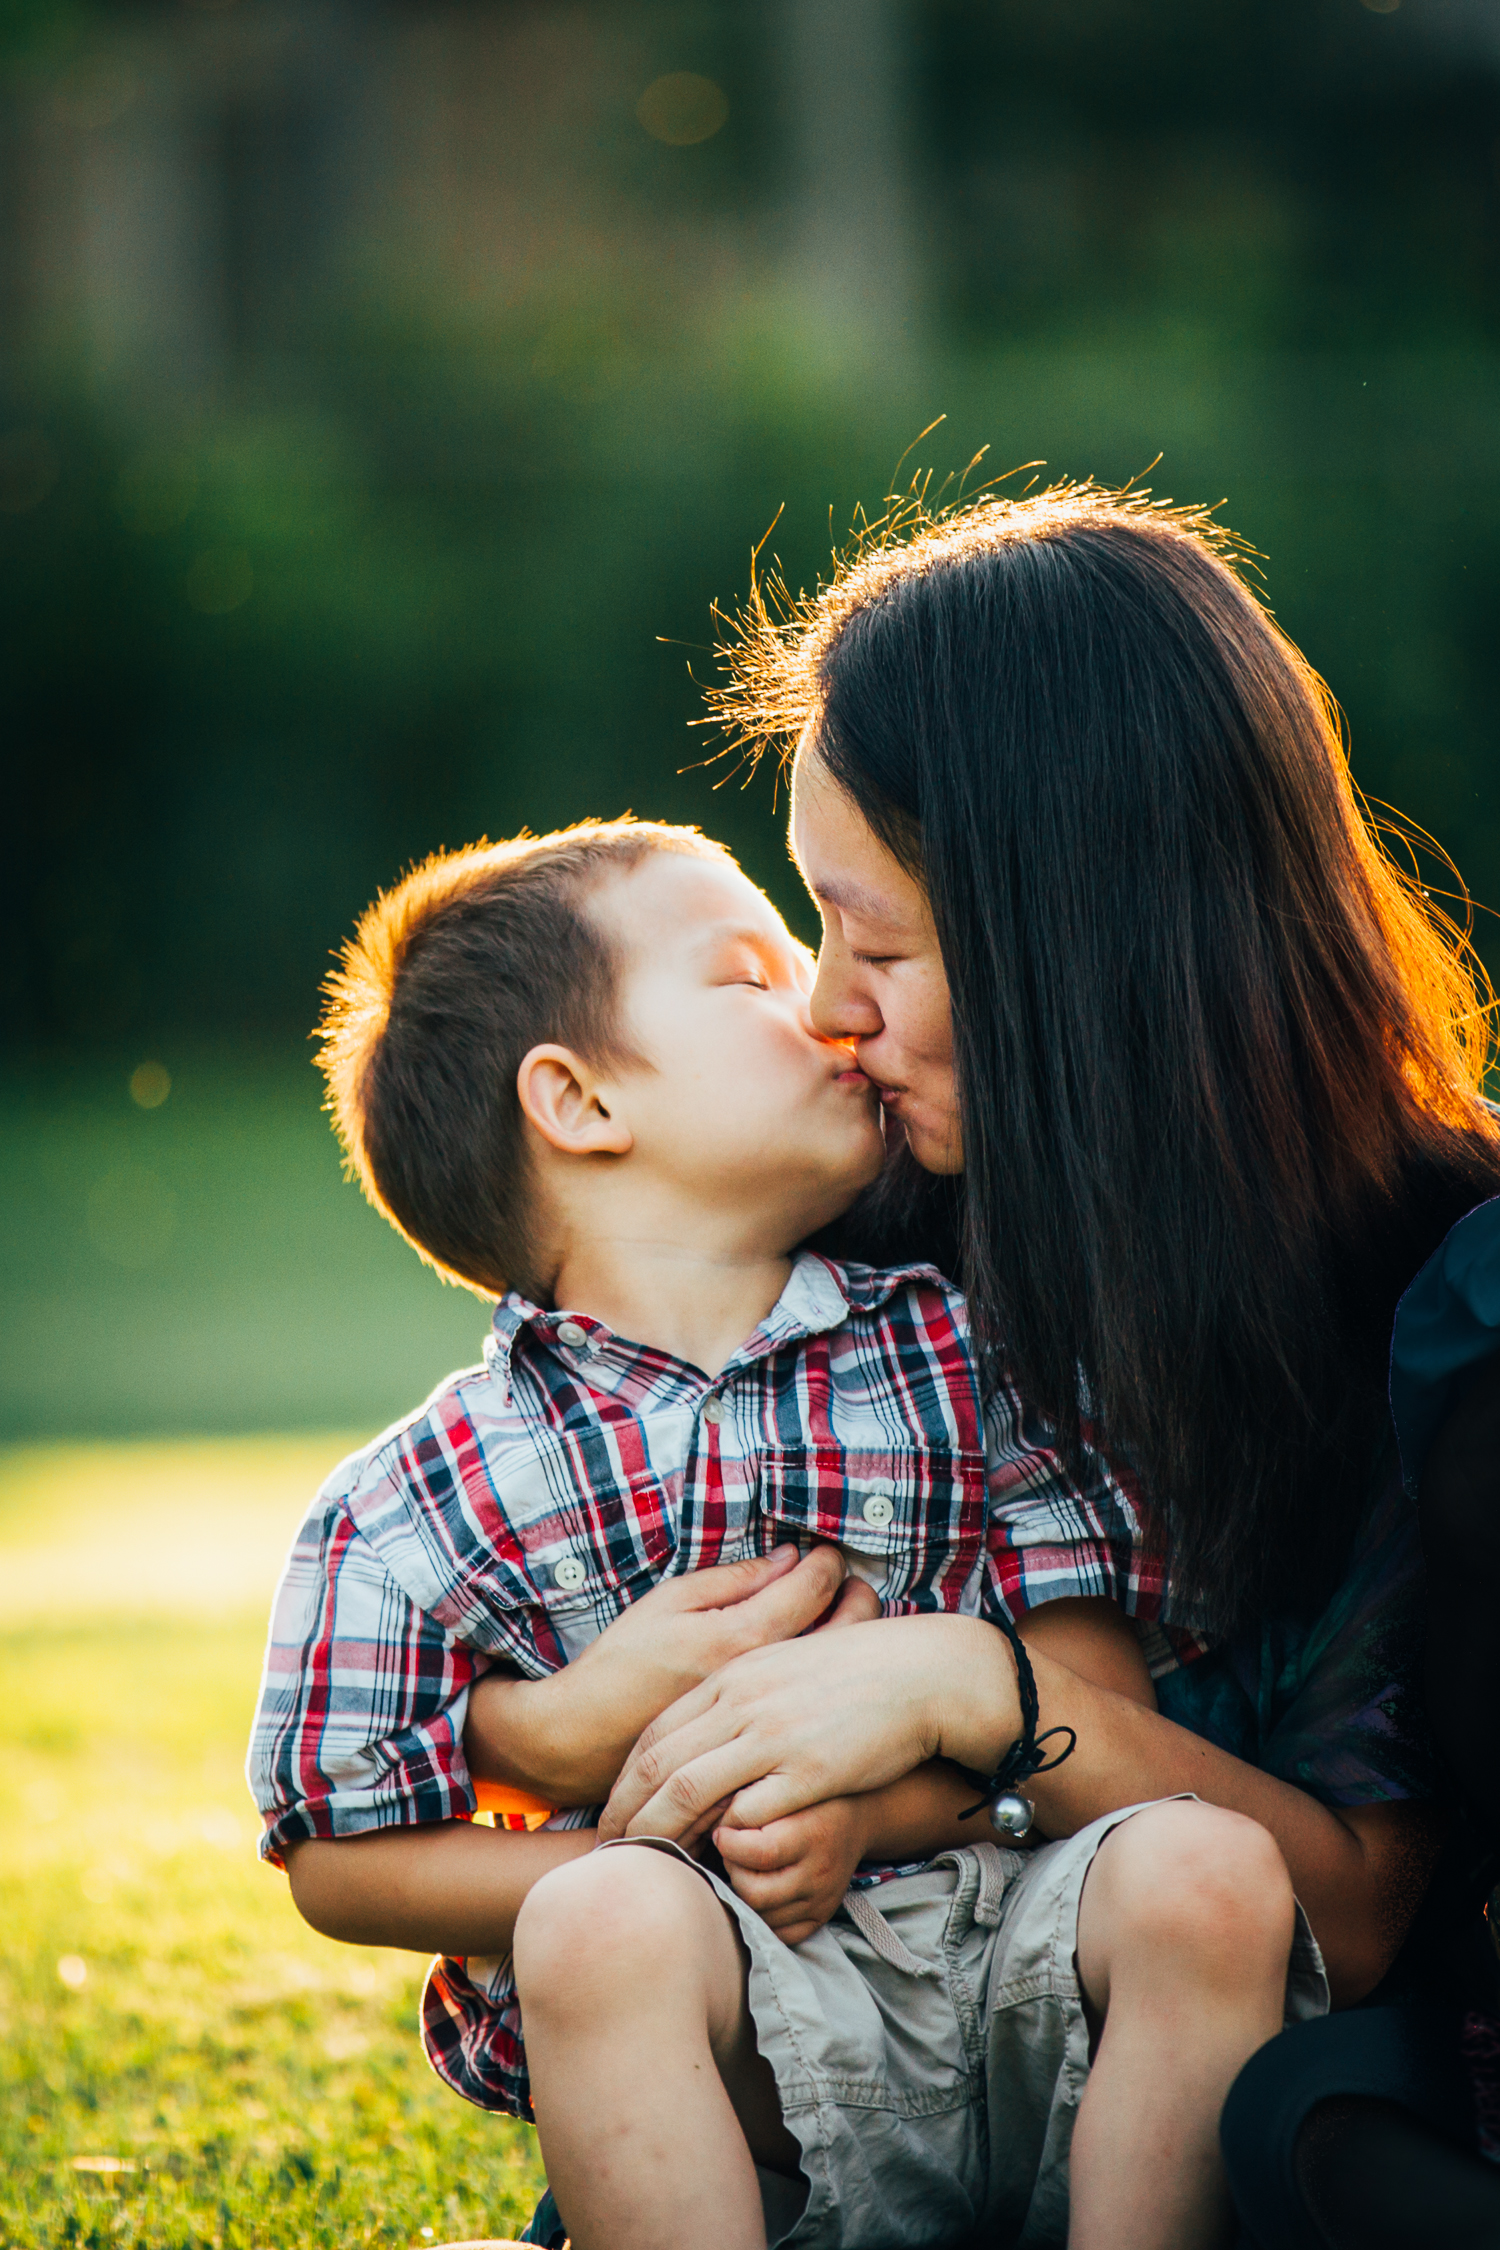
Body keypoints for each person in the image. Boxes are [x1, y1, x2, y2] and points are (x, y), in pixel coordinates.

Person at [598, 482, 1500, 2241]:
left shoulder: (1446, 1303)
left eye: (879, 942)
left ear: (1071, 942)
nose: (825, 1015)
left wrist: (986, 1688)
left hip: (1270, 2057)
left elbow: (1366, 1909)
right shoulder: (882, 1244)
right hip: (922, 2053)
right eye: (812, 934)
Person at [246, 813, 1323, 2250]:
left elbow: (1096, 1713)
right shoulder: (421, 1499)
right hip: (752, 2047)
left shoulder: (979, 1358)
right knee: (593, 1928)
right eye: (750, 975)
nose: (821, 1006)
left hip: (1022, 1956)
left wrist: (872, 1816)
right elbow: (336, 1849)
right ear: (575, 1102)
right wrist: (670, 1859)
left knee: (1212, 1869)